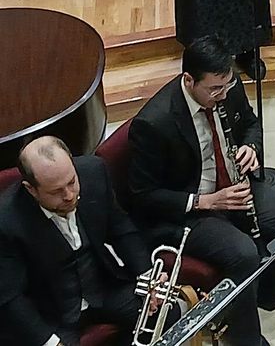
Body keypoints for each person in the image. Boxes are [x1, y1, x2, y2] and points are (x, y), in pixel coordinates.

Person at [127, 36, 275, 346]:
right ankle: (246, 338)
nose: (223, 94)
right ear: (188, 80)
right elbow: (143, 196)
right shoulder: (153, 124)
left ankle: (253, 298)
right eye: (215, 89)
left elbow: (250, 124)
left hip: (235, 189)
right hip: (190, 212)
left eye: (226, 86)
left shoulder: (227, 86)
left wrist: (250, 147)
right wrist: (205, 201)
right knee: (244, 253)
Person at [0, 137, 161, 346]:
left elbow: (121, 229)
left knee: (167, 311)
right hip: (52, 313)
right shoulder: (6, 221)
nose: (69, 195)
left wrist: (147, 276)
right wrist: (50, 342)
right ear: (31, 189)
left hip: (103, 288)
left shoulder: (94, 173)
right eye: (56, 191)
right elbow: (11, 297)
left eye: (71, 182)